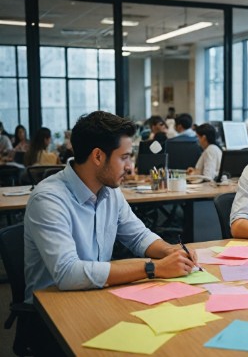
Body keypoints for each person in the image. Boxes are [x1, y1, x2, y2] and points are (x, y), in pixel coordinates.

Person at [23, 111, 198, 355]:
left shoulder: (109, 191)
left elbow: (137, 236)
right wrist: (153, 268)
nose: (131, 166)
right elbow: (67, 273)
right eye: (125, 157)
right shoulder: (49, 199)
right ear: (97, 156)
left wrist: (170, 251)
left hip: (97, 296)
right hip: (52, 315)